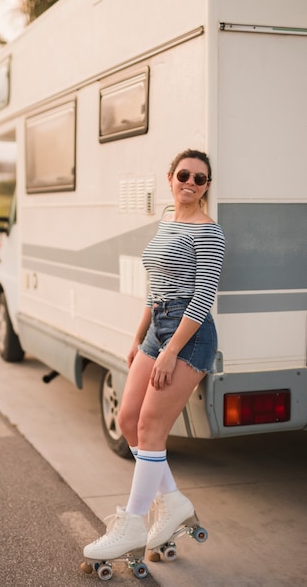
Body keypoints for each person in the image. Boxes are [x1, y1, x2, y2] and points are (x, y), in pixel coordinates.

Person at [84, 149, 225, 561]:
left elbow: (202, 299)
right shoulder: (166, 223)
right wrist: (140, 338)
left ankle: (130, 524)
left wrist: (170, 352)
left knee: (149, 427)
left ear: (206, 187)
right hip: (157, 328)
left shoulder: (209, 232)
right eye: (184, 174)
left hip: (189, 335)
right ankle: (173, 503)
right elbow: (155, 286)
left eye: (200, 179)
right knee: (128, 420)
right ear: (170, 178)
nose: (190, 182)